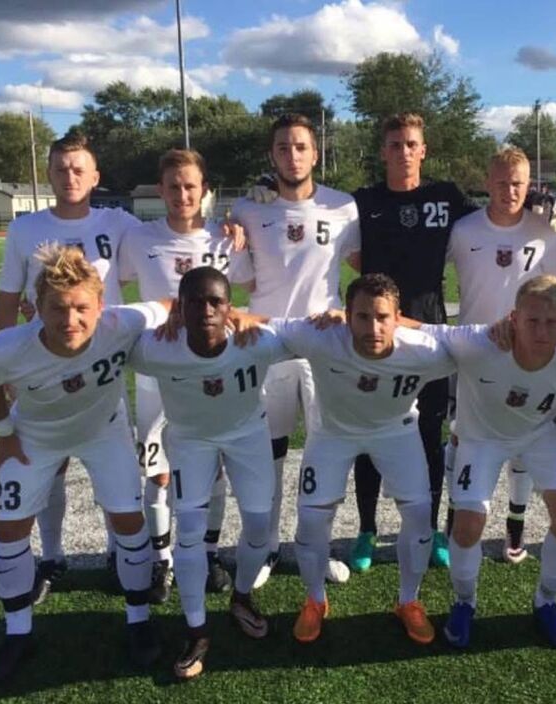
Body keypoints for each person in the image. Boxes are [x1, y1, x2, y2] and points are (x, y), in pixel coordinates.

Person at [0, 245, 170, 685]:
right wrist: (5, 431)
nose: (70, 320)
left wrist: (237, 319)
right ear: (36, 308)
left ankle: (138, 618)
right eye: (57, 308)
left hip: (104, 429)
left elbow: (172, 305)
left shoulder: (124, 322)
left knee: (129, 522)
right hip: (35, 437)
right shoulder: (7, 349)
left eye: (82, 308)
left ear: (102, 306)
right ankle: (18, 632)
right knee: (9, 529)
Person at [256, 274, 455, 645]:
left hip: (397, 431)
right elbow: (265, 325)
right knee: (312, 520)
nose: (373, 327)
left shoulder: (424, 349)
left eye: (383, 317)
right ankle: (315, 599)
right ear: (345, 315)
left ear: (399, 318)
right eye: (362, 317)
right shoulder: (321, 336)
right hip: (332, 433)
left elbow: (475, 341)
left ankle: (408, 601)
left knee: (418, 514)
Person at [0, 134, 140, 603]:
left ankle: (120, 553)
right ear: (50, 174)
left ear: (95, 176)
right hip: (42, 369)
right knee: (48, 468)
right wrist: (9, 369)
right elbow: (8, 302)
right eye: (61, 168)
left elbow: (178, 231)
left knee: (113, 469)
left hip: (103, 371)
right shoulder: (24, 230)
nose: (70, 176)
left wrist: (243, 212)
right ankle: (53, 557)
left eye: (79, 169)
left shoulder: (118, 222)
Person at [129, 267, 286, 679]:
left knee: (257, 523)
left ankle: (243, 596)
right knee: (191, 531)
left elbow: (316, 330)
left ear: (230, 308)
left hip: (248, 434)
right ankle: (196, 629)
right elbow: (103, 337)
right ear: (179, 309)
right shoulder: (155, 347)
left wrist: (266, 319)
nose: (206, 310)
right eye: (195, 302)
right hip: (191, 441)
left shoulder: (257, 340)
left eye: (216, 301)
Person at [420, 276, 556, 649]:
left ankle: (547, 599)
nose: (541, 330)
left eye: (550, 322)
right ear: (514, 318)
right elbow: (425, 329)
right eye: (532, 320)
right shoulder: (480, 343)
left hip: (540, 435)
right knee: (467, 524)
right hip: (480, 438)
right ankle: (465, 601)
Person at [231, 113, 360, 588]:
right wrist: (233, 219)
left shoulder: (344, 207)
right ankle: (264, 546)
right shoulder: (249, 208)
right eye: (283, 147)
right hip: (265, 342)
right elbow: (238, 273)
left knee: (325, 451)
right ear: (272, 156)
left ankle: (317, 547)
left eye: (300, 146)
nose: (292, 155)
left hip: (322, 345)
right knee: (267, 453)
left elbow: (367, 268)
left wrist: (351, 311)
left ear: (315, 153)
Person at [120, 148, 253, 602]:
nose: (182, 194)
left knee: (212, 466)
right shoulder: (138, 238)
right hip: (158, 372)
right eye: (173, 186)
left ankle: (211, 552)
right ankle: (162, 562)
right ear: (161, 190)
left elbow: (248, 295)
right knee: (156, 472)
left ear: (204, 190)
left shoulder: (225, 239)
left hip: (210, 371)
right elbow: (105, 284)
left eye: (190, 186)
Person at [349, 112, 476, 572]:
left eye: (411, 143)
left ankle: (434, 530)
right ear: (383, 151)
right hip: (375, 338)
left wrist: (541, 202)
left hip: (429, 334)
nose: (403, 151)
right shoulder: (363, 201)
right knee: (369, 434)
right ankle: (366, 530)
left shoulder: (446, 197)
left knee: (430, 436)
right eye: (395, 143)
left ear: (424, 151)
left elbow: (498, 218)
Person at [446, 147, 556, 563]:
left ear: (528, 184)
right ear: (486, 182)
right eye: (501, 182)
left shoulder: (545, 234)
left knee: (523, 436)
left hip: (527, 352)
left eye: (517, 183)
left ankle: (515, 522)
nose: (509, 190)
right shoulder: (463, 231)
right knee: (462, 435)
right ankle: (456, 512)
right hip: (475, 353)